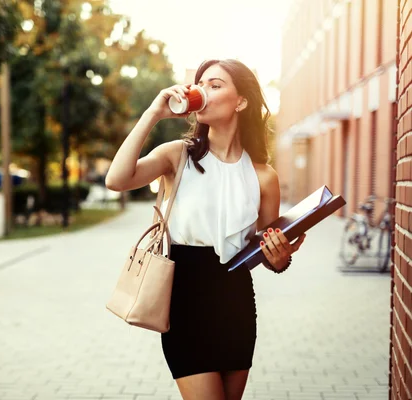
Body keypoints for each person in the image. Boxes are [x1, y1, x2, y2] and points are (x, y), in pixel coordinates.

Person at [105, 59, 307, 400]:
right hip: (185, 303)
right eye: (200, 84)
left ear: (241, 101)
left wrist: (280, 256)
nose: (203, 91)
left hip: (236, 303)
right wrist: (153, 113)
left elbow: (268, 253)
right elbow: (117, 179)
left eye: (215, 85)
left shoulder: (263, 176)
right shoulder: (177, 156)